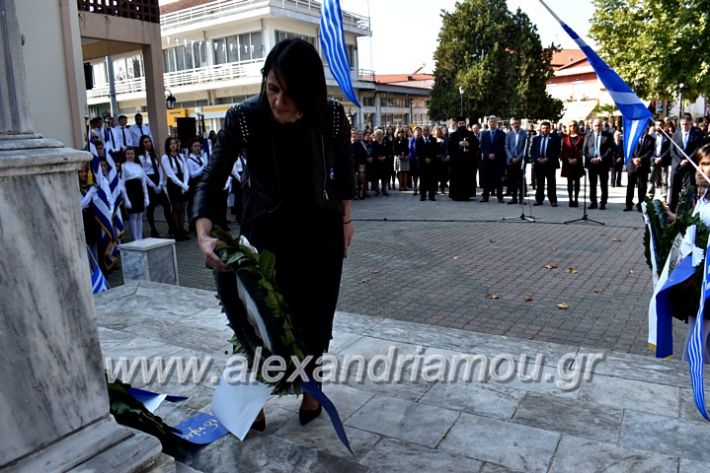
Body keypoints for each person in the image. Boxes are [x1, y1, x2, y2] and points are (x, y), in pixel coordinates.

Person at [193, 39, 354, 429]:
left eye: (291, 92)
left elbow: (345, 173)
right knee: (257, 322)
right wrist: (203, 233)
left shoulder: (331, 117)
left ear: (311, 92)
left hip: (320, 236)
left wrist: (346, 221)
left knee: (315, 322)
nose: (279, 101)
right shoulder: (244, 118)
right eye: (272, 88)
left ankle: (311, 392)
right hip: (263, 237)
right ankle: (252, 400)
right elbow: (210, 181)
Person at [137, 135, 177, 238]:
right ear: (142, 144)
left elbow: (159, 169)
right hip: (149, 183)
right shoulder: (141, 157)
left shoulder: (153, 154)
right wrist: (152, 185)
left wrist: (160, 183)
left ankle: (172, 228)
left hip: (157, 181)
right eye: (145, 142)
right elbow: (143, 173)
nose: (148, 143)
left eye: (149, 141)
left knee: (167, 205)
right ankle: (153, 230)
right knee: (151, 208)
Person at [669, 115, 704, 211]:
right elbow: (672, 150)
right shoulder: (676, 134)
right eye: (683, 124)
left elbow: (698, 149)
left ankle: (691, 209)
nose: (684, 126)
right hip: (677, 165)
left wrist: (688, 159)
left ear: (690, 124)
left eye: (686, 124)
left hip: (690, 165)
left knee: (691, 188)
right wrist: (680, 161)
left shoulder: (696, 135)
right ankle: (672, 208)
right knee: (674, 188)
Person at [162, 136, 190, 240]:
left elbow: (186, 170)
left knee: (183, 207)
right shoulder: (165, 157)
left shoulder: (181, 156)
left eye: (175, 143)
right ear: (168, 146)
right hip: (174, 184)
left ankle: (182, 230)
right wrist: (181, 185)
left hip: (183, 181)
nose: (173, 145)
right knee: (176, 207)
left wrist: (185, 183)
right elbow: (170, 174)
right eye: (171, 144)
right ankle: (176, 231)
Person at [583, 118, 615, 210]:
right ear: (592, 126)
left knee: (603, 184)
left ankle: (603, 203)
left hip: (603, 163)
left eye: (599, 125)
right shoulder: (588, 136)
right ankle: (593, 202)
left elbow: (610, 149)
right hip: (592, 164)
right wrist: (591, 158)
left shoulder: (608, 135)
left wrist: (601, 158)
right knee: (592, 184)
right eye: (596, 125)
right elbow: (584, 150)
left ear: (602, 126)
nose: (598, 127)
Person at [121, 147, 150, 241]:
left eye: (132, 154)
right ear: (125, 155)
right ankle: (135, 239)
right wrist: (126, 199)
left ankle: (140, 237)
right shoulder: (123, 166)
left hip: (139, 191)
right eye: (128, 154)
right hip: (130, 191)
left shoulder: (138, 166)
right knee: (133, 216)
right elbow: (122, 183)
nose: (130, 156)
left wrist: (146, 197)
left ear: (135, 155)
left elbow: (143, 182)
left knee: (140, 215)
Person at [625, 124, 654, 212]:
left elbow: (650, 152)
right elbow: (628, 149)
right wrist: (634, 159)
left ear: (646, 129)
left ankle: (641, 204)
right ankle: (628, 204)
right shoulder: (632, 137)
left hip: (643, 165)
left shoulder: (651, 139)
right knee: (630, 185)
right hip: (632, 165)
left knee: (642, 186)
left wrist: (640, 159)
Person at [530, 121, 560, 206]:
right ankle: (539, 199)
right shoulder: (536, 139)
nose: (545, 130)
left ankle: (553, 200)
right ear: (540, 129)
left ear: (550, 129)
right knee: (539, 183)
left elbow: (556, 151)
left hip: (550, 164)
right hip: (539, 164)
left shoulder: (555, 138)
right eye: (543, 128)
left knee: (551, 182)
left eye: (547, 128)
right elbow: (533, 151)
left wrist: (548, 158)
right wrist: (537, 158)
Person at [447, 117, 478, 201]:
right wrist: (458, 143)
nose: (461, 125)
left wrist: (469, 144)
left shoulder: (470, 134)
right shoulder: (453, 135)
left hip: (467, 161)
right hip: (456, 162)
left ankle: (467, 195)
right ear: (457, 124)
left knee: (467, 178)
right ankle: (456, 195)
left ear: (465, 124)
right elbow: (449, 146)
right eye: (460, 123)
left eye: (463, 123)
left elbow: (476, 145)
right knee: (456, 179)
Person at [479, 115, 506, 203]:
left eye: (494, 122)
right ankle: (485, 196)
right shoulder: (484, 134)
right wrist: (488, 154)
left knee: (498, 179)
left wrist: (495, 154)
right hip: (487, 160)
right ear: (488, 123)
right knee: (486, 178)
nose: (492, 123)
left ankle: (500, 197)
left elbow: (503, 147)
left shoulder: (501, 133)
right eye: (491, 122)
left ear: (496, 123)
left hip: (498, 160)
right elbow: (482, 147)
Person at [560, 120, 585, 207]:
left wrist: (577, 159)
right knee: (569, 183)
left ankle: (576, 199)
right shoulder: (565, 138)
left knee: (577, 182)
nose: (572, 127)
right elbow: (563, 151)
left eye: (574, 125)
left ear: (577, 126)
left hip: (577, 163)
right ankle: (570, 199)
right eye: (570, 126)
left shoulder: (581, 137)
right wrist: (568, 159)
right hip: (568, 163)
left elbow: (583, 150)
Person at [186, 137, 209, 229]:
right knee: (193, 204)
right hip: (194, 184)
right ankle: (192, 224)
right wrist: (203, 167)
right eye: (195, 146)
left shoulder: (201, 158)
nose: (198, 148)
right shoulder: (189, 160)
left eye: (199, 146)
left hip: (202, 182)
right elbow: (192, 174)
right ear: (191, 148)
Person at [504, 117, 527, 204]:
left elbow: (525, 147)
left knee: (520, 180)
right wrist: (511, 157)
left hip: (520, 161)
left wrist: (518, 158)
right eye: (514, 124)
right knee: (512, 180)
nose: (516, 125)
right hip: (511, 161)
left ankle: (521, 198)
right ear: (511, 125)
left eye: (517, 123)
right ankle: (514, 198)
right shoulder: (509, 134)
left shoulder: (525, 134)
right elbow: (506, 147)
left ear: (520, 124)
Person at [648, 120, 672, 200]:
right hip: (653, 160)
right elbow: (649, 149)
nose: (659, 126)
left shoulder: (668, 136)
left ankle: (663, 197)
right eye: (657, 125)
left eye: (661, 125)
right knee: (652, 179)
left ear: (663, 126)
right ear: (655, 126)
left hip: (663, 161)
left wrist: (661, 157)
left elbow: (669, 149)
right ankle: (650, 196)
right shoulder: (652, 136)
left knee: (664, 180)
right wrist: (655, 158)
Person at [416, 125, 439, 201]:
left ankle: (431, 196)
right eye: (424, 130)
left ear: (430, 131)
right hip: (422, 163)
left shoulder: (433, 139)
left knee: (431, 180)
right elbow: (418, 152)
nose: (426, 132)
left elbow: (435, 151)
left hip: (431, 163)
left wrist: (430, 158)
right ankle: (423, 196)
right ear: (422, 131)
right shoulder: (418, 140)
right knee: (422, 180)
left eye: (427, 130)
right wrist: (424, 158)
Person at [371, 129, 391, 195]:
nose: (379, 136)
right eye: (378, 134)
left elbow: (389, 151)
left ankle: (384, 190)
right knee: (376, 177)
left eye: (380, 134)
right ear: (375, 136)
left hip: (385, 162)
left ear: (382, 135)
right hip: (376, 162)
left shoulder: (385, 143)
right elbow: (372, 152)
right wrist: (377, 157)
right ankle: (377, 190)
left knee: (384, 177)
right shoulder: (373, 143)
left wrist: (385, 156)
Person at [394, 127, 410, 191]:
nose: (400, 133)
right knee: (400, 172)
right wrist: (398, 155)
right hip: (398, 158)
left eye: (402, 132)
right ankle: (401, 186)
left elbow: (408, 149)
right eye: (399, 132)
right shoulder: (395, 141)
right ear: (397, 133)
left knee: (405, 172)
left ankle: (405, 186)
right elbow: (394, 150)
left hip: (405, 158)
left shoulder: (406, 140)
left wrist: (406, 155)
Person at [408, 126, 422, 195]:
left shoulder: (422, 139)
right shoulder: (411, 139)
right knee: (414, 175)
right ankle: (415, 188)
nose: (418, 132)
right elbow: (410, 148)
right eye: (416, 130)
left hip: (421, 159)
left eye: (419, 130)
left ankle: (421, 187)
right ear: (414, 132)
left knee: (421, 174)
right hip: (413, 159)